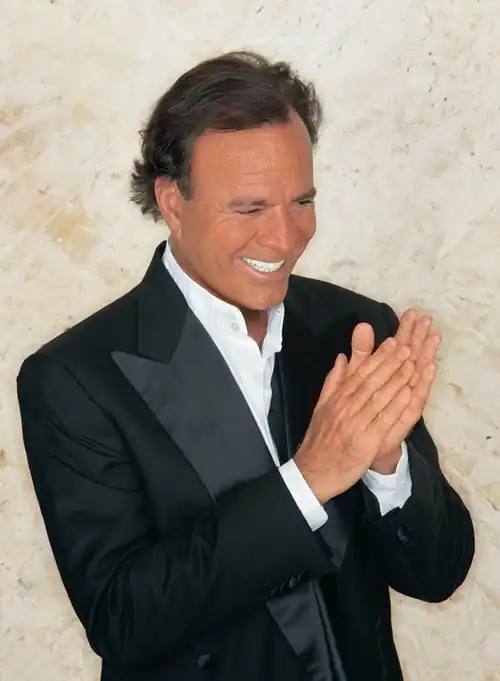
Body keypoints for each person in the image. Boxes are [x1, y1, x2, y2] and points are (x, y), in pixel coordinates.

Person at [17, 51, 474, 681]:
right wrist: (309, 479)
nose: (285, 238)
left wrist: (387, 466)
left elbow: (437, 573)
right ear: (173, 201)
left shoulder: (358, 328)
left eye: (301, 201)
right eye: (250, 208)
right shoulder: (74, 379)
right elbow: (123, 618)